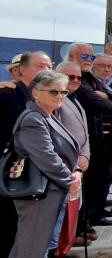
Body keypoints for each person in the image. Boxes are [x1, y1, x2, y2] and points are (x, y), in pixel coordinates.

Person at [10, 71, 81, 258]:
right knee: (31, 247)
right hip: (40, 195)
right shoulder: (33, 119)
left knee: (45, 245)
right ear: (35, 93)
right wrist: (69, 180)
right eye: (53, 92)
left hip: (54, 191)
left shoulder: (48, 115)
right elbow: (46, 157)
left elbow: (66, 151)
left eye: (63, 92)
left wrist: (77, 171)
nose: (59, 96)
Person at [0, 51, 52, 256]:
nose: (47, 70)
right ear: (20, 70)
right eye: (40, 66)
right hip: (11, 178)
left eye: (49, 66)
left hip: (35, 178)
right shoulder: (7, 95)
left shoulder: (43, 98)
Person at [67, 44, 112, 229]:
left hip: (104, 140)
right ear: (72, 56)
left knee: (103, 178)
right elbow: (107, 105)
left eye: (90, 56)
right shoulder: (80, 80)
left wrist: (105, 95)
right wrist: (106, 98)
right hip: (88, 141)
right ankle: (84, 220)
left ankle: (96, 214)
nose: (88, 59)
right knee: (89, 182)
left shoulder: (92, 79)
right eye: (85, 56)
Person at [51, 62, 91, 251]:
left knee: (73, 209)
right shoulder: (56, 100)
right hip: (65, 166)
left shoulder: (74, 98)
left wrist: (85, 156)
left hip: (78, 165)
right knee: (60, 214)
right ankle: (56, 248)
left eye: (78, 77)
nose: (75, 80)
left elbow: (85, 133)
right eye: (70, 77)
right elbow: (56, 136)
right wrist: (74, 162)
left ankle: (67, 241)